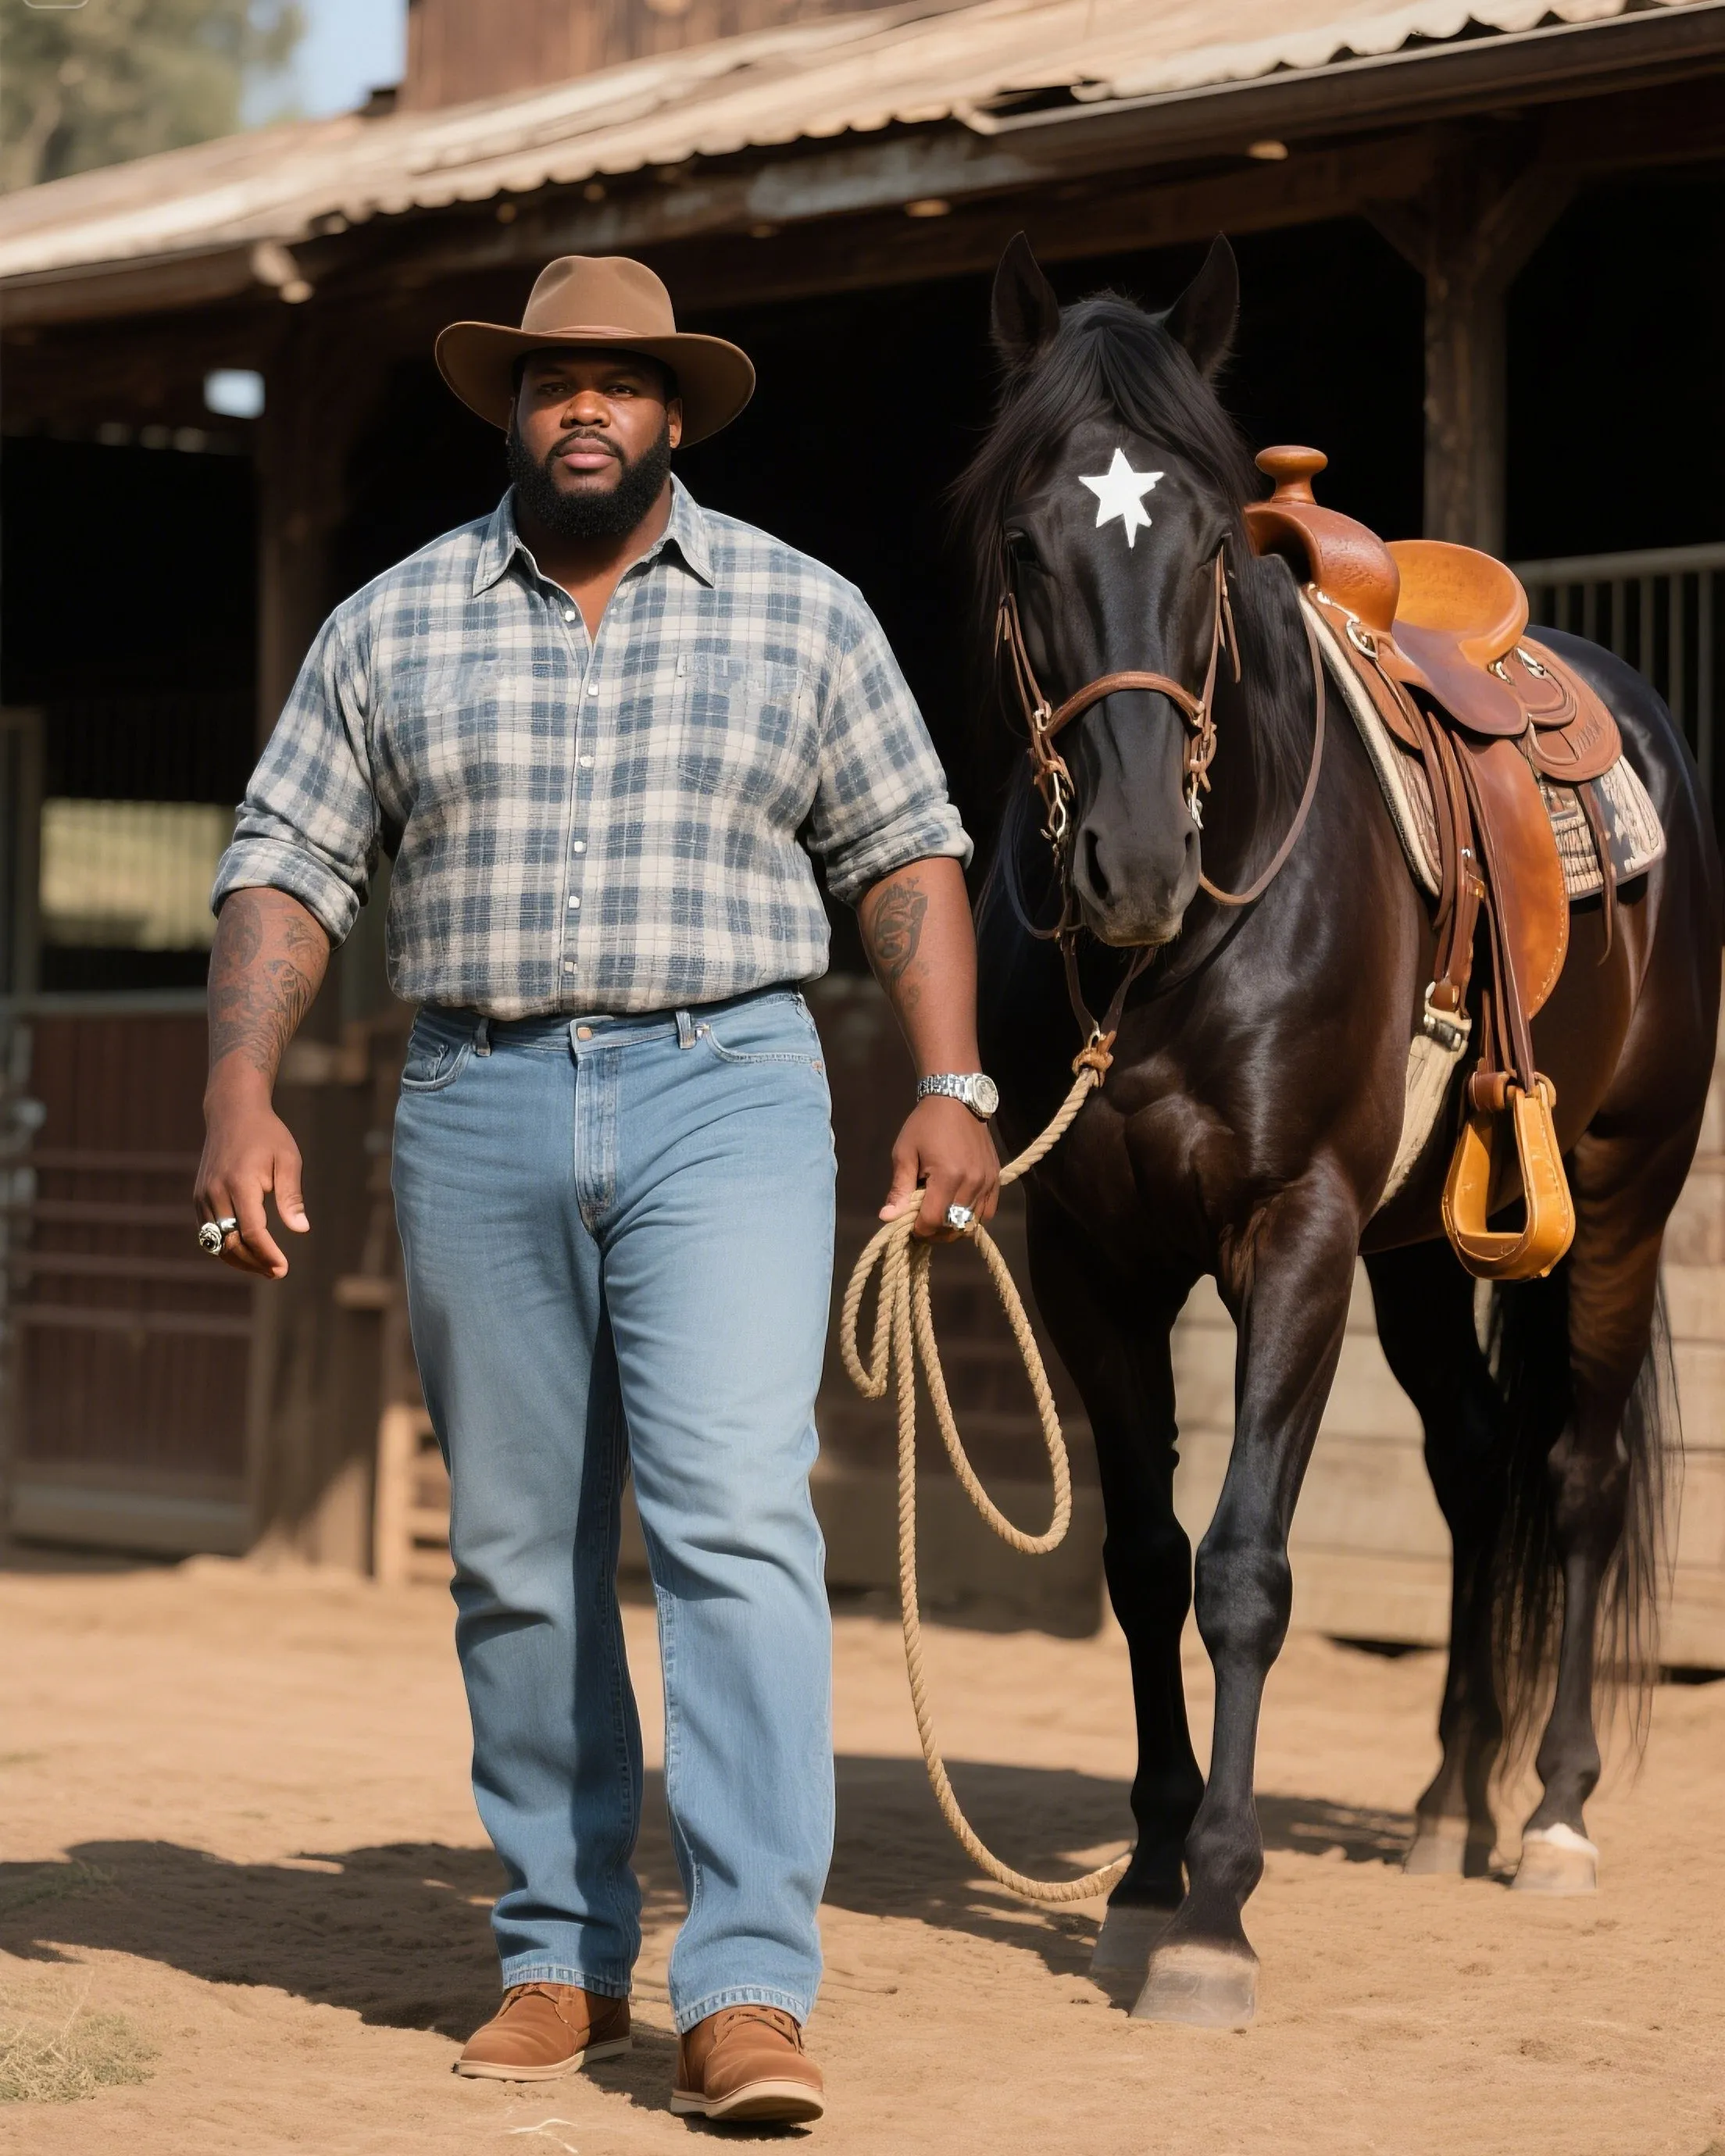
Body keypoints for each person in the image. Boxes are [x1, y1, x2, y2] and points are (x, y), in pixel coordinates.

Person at [194, 255, 1001, 2127]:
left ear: (673, 414)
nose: (586, 407)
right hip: (472, 1096)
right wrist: (238, 1080)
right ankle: (559, 1957)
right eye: (556, 379)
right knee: (515, 1550)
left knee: (731, 1513)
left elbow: (911, 852)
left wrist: (953, 1081)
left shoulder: (808, 615)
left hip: (728, 1084)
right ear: (513, 405)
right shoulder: (390, 628)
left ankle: (745, 1984)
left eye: (623, 383)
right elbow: (288, 863)